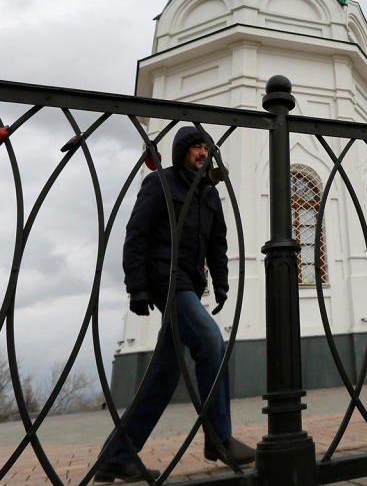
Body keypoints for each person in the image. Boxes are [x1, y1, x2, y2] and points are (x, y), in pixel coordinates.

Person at [96, 126, 254, 483]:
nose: (202, 153)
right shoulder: (160, 184)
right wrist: (136, 287)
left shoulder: (210, 195)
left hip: (190, 285)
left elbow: (218, 244)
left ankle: (116, 456)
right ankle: (219, 438)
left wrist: (222, 283)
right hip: (164, 279)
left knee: (165, 375)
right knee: (211, 341)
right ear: (183, 150)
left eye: (206, 148)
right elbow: (136, 234)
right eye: (196, 147)